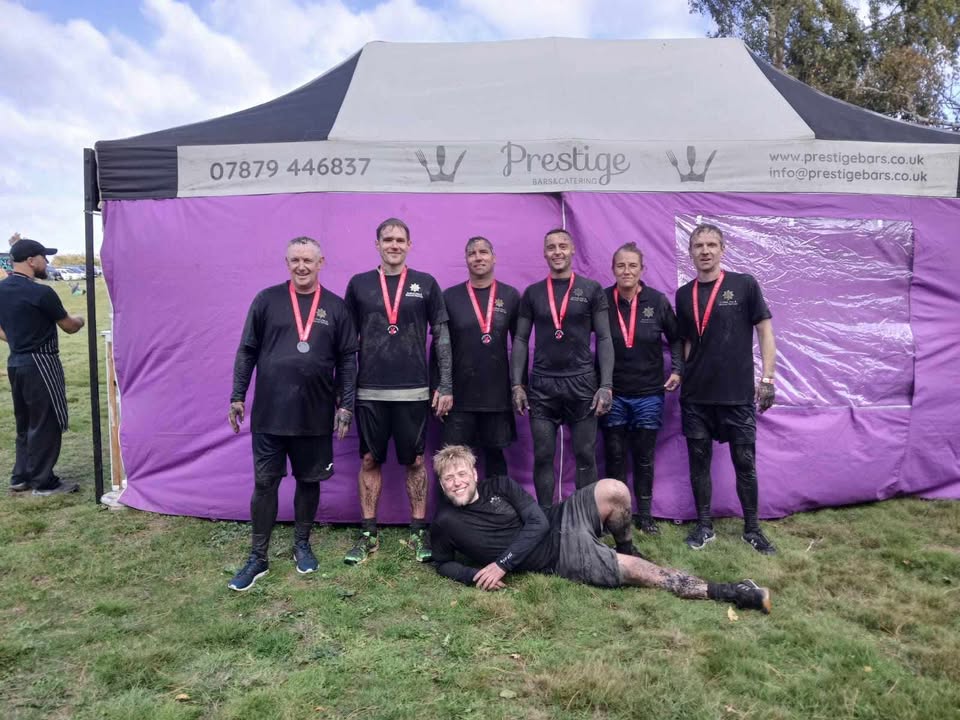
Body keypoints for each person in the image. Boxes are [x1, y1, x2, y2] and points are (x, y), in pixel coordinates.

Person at [430, 445, 771, 613]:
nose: (457, 482)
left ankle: (625, 545)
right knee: (646, 573)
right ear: (442, 485)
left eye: (462, 474)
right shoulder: (445, 522)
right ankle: (732, 591)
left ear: (474, 474)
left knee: (615, 490)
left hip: (561, 518)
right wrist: (474, 576)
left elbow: (538, 520)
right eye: (449, 478)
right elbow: (442, 563)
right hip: (561, 556)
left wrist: (502, 563)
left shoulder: (501, 485)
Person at [227, 236, 357, 591]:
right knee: (265, 482)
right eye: (295, 260)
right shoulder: (266, 300)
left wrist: (346, 404)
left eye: (308, 261)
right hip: (270, 413)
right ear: (287, 263)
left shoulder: (336, 306)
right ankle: (258, 556)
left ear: (321, 263)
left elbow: (348, 358)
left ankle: (302, 543)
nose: (302, 266)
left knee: (309, 481)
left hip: (315, 413)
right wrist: (237, 395)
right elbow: (246, 350)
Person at [343, 218, 453, 565]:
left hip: (414, 391)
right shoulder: (359, 284)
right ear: (376, 244)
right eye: (387, 239)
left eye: (400, 240)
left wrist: (446, 383)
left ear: (409, 245)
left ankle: (419, 531)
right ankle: (368, 533)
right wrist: (344, 393)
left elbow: (442, 337)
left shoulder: (425, 283)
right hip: (370, 392)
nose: (394, 245)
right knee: (369, 458)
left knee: (416, 460)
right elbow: (345, 343)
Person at [675, 223, 777, 554]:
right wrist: (684, 374)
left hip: (736, 395)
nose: (705, 251)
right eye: (698, 246)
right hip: (696, 397)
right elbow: (688, 341)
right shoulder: (683, 294)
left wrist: (768, 378)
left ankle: (752, 529)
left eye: (711, 245)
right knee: (698, 463)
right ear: (690, 252)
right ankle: (704, 527)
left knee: (745, 462)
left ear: (722, 249)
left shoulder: (744, 284)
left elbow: (764, 330)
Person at [510, 228, 614, 507]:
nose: (557, 252)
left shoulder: (591, 290)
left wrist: (606, 385)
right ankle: (545, 520)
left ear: (572, 250)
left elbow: (604, 338)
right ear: (544, 253)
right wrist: (517, 384)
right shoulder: (532, 293)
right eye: (552, 247)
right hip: (543, 385)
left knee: (584, 455)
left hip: (582, 383)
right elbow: (520, 339)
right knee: (543, 454)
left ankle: (585, 521)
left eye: (563, 246)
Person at [602, 242, 683, 535]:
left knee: (644, 456)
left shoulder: (657, 301)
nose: (626, 271)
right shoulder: (602, 300)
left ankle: (645, 515)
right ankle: (617, 514)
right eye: (621, 265)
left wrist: (677, 369)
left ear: (641, 269)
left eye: (632, 265)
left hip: (649, 393)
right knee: (614, 455)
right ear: (613, 269)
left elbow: (676, 338)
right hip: (613, 393)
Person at [0, 238, 83, 496]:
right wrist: (80, 319)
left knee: (25, 421)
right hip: (41, 363)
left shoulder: (1, 289)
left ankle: (21, 476)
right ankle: (44, 482)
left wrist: (15, 339)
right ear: (31, 261)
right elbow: (68, 326)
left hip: (16, 361)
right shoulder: (41, 292)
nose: (47, 262)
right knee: (46, 421)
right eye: (44, 257)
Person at [436, 236, 520, 477]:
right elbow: (440, 347)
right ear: (466, 260)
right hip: (458, 398)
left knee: (495, 458)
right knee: (454, 461)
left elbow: (520, 345)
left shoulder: (511, 296)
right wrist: (441, 387)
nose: (478, 257)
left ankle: (497, 509)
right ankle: (454, 513)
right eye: (472, 253)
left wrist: (518, 385)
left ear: (494, 257)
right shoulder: (449, 297)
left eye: (483, 252)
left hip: (497, 396)